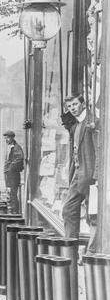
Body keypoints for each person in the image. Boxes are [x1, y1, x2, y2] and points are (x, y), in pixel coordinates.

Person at [61, 94, 97, 242]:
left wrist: (97, 176)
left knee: (93, 215)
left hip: (90, 175)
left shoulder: (91, 122)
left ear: (83, 103)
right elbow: (69, 127)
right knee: (69, 210)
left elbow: (99, 149)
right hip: (78, 173)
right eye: (69, 107)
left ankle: (90, 251)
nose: (72, 109)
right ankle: (70, 248)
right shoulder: (76, 124)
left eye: (75, 105)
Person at [3, 130, 24, 214]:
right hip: (9, 174)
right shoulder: (9, 147)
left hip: (13, 175)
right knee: (9, 193)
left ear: (12, 138)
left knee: (13, 194)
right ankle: (11, 211)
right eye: (5, 138)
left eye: (8, 138)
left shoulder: (16, 147)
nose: (6, 140)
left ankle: (15, 213)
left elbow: (19, 159)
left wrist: (11, 168)